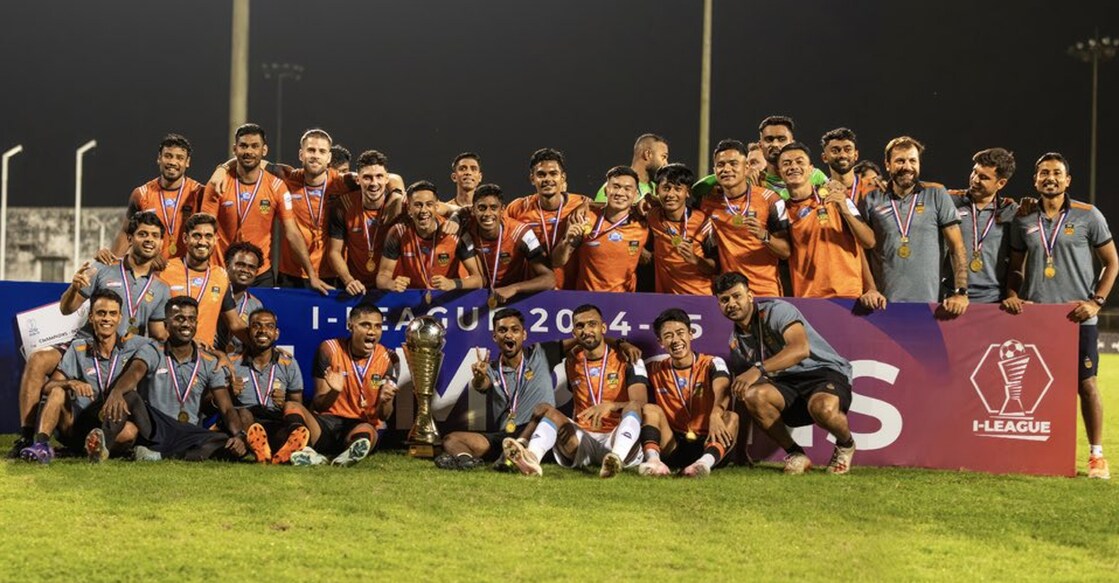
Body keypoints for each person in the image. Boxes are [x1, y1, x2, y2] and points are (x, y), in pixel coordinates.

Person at [10, 211, 170, 458]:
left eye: (155, 236)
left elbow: (159, 331)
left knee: (128, 428)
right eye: (143, 234)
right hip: (88, 342)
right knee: (38, 359)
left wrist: (191, 343)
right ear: (130, 238)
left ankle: (99, 446)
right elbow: (67, 309)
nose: (149, 239)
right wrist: (73, 288)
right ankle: (26, 437)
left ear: (161, 243)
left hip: (124, 352)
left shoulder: (161, 288)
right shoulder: (102, 267)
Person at [1004, 152, 1118, 479]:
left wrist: (1096, 301)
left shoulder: (1088, 215)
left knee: (1087, 384)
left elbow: (1113, 262)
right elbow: (1015, 268)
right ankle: (1041, 452)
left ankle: (1096, 456)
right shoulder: (1023, 218)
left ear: (1067, 180)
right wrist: (1012, 294)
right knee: (1038, 386)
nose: (1050, 178)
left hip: (1077, 316)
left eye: (1056, 173)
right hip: (1038, 317)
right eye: (1043, 173)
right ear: (1035, 180)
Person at [714, 272, 857, 475]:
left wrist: (758, 370)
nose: (732, 303)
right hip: (786, 385)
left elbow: (800, 349)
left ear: (750, 295)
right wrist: (740, 449)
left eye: (737, 296)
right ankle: (796, 454)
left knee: (823, 408)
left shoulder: (777, 310)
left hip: (822, 372)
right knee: (752, 395)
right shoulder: (736, 343)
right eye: (724, 300)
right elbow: (740, 397)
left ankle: (845, 445)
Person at [503, 305, 648, 478]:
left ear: (603, 328)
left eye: (592, 324)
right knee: (550, 412)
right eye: (580, 326)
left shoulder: (628, 358)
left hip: (617, 436)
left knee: (633, 407)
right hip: (583, 439)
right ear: (574, 333)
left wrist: (611, 406)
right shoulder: (571, 361)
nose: (586, 330)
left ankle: (615, 459)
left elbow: (640, 404)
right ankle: (531, 459)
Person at [99, 296, 248, 462]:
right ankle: (102, 447)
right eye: (179, 319)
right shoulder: (153, 350)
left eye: (191, 319)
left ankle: (157, 456)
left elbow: (226, 408)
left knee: (224, 441)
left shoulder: (209, 362)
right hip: (155, 426)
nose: (186, 324)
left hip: (188, 432)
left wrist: (239, 435)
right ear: (166, 325)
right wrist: (117, 391)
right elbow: (135, 372)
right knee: (128, 396)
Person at [17, 290, 155, 463]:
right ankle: (41, 446)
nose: (107, 319)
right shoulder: (78, 348)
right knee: (58, 391)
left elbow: (163, 346)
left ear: (120, 318)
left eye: (112, 314)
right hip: (77, 425)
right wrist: (71, 383)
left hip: (111, 423)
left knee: (130, 431)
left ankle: (94, 450)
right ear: (91, 318)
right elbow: (48, 387)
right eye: (101, 313)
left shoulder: (135, 345)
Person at [199, 123, 329, 292]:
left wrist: (311, 274)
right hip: (221, 271)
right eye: (243, 146)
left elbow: (292, 232)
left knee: (262, 319)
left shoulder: (277, 186)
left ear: (264, 150)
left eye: (255, 146)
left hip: (260, 274)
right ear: (235, 149)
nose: (249, 151)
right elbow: (205, 230)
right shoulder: (217, 183)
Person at [436, 308, 563, 469]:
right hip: (506, 436)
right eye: (502, 330)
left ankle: (513, 454)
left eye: (515, 330)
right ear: (495, 337)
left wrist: (605, 342)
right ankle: (466, 462)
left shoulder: (541, 354)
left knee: (545, 410)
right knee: (452, 440)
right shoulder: (491, 369)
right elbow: (481, 384)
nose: (509, 335)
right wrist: (480, 377)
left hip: (537, 432)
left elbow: (581, 343)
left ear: (524, 335)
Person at [275, 304, 399, 466]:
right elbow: (319, 404)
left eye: (378, 326)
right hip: (325, 424)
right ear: (350, 326)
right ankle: (306, 450)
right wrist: (334, 391)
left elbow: (384, 416)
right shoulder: (329, 349)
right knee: (292, 405)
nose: (372, 332)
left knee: (368, 432)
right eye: (365, 325)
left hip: (359, 424)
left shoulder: (389, 358)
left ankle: (346, 455)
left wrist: (385, 401)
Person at [859, 136, 970, 314]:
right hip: (882, 305)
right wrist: (870, 289)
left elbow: (957, 247)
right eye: (900, 161)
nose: (907, 167)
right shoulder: (871, 198)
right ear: (887, 165)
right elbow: (861, 250)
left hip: (930, 305)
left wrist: (961, 292)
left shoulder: (936, 194)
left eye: (913, 161)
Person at [636, 309, 737, 478]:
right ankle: (653, 462)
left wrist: (715, 414)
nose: (675, 340)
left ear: (691, 334)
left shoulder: (711, 362)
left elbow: (723, 389)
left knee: (731, 417)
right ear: (661, 342)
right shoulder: (653, 367)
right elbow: (625, 366)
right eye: (668, 336)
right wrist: (622, 343)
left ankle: (703, 464)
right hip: (674, 444)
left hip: (709, 440)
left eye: (680, 333)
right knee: (650, 409)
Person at [778, 143, 877, 299]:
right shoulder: (782, 210)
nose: (793, 166)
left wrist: (871, 288)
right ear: (780, 172)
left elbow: (868, 241)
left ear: (811, 169)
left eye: (799, 161)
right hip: (808, 299)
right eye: (786, 163)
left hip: (848, 296)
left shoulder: (838, 198)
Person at [698, 139, 790, 296]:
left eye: (733, 163)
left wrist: (764, 235)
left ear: (746, 167)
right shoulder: (707, 203)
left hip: (766, 292)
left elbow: (786, 251)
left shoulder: (770, 199)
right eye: (721, 165)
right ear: (714, 170)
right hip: (730, 295)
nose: (727, 169)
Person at [100, 134, 204, 265]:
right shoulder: (141, 194)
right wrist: (112, 266)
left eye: (180, 158)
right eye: (168, 156)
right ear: (159, 158)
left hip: (186, 271)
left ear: (187, 162)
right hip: (151, 271)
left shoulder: (198, 193)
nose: (172, 162)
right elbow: (127, 232)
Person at [275, 129, 354, 288]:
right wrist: (223, 168)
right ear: (300, 154)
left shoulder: (343, 183)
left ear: (329, 158)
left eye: (322, 151)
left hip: (333, 273)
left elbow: (385, 178)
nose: (316, 155)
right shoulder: (288, 179)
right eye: (311, 150)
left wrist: (397, 190)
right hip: (292, 273)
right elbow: (252, 159)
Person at [552, 166, 650, 292]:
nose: (620, 193)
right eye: (615, 187)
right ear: (605, 190)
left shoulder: (643, 223)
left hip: (624, 304)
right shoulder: (585, 218)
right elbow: (557, 262)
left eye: (627, 188)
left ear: (636, 195)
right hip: (588, 302)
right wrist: (566, 242)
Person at [505, 148, 590, 289]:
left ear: (562, 177)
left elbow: (612, 208)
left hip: (570, 292)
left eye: (553, 174)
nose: (547, 179)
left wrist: (589, 204)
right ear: (532, 178)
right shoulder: (517, 208)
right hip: (531, 291)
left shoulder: (581, 204)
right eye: (541, 174)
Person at [376, 180, 483, 292]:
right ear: (409, 209)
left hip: (448, 301)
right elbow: (382, 277)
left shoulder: (455, 232)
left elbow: (478, 279)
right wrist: (391, 284)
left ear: (437, 206)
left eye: (429, 204)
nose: (423, 210)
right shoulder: (398, 232)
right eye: (418, 205)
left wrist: (453, 283)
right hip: (413, 301)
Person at [158, 213, 247, 348]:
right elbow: (153, 320)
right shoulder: (165, 271)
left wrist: (268, 348)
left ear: (215, 239)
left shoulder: (221, 276)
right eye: (197, 236)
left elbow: (235, 323)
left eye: (208, 236)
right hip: (169, 353)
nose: (202, 242)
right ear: (185, 238)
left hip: (204, 358)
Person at [228, 308, 304, 463]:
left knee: (287, 430)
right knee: (243, 413)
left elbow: (297, 403)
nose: (263, 331)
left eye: (269, 326)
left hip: (274, 418)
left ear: (276, 333)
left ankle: (277, 450)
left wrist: (284, 403)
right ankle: (258, 448)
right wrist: (229, 391)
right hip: (245, 420)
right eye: (256, 326)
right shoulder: (231, 362)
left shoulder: (288, 363)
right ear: (248, 331)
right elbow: (215, 400)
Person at [327, 150, 405, 296]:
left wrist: (456, 217)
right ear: (358, 180)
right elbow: (334, 251)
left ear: (387, 178)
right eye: (367, 178)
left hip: (393, 287)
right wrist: (348, 281)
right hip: (357, 287)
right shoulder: (343, 205)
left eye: (379, 177)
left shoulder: (401, 206)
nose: (374, 183)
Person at [466, 183, 555, 306]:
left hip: (513, 300)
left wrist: (514, 288)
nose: (487, 214)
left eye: (493, 208)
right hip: (476, 299)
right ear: (473, 210)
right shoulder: (466, 232)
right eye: (482, 208)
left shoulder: (521, 232)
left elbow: (549, 279)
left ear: (502, 210)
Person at [951, 148, 1019, 303]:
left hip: (995, 301)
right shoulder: (950, 201)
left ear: (1001, 183)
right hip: (953, 298)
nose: (974, 180)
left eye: (983, 177)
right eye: (974, 172)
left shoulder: (1011, 211)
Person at [644, 163, 718, 294]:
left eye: (678, 189)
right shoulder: (652, 216)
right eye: (666, 188)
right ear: (657, 191)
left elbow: (716, 267)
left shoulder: (703, 222)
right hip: (665, 300)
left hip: (699, 297)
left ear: (687, 193)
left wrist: (695, 259)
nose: (671, 194)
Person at [757, 116, 829, 199]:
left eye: (782, 139)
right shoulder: (755, 180)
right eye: (769, 139)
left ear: (792, 143)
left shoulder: (815, 176)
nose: (775, 144)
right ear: (760, 145)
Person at [214, 242, 265, 354]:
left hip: (238, 362)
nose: (245, 270)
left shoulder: (256, 305)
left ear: (256, 272)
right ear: (227, 265)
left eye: (251, 267)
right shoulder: (211, 293)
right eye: (240, 265)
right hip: (207, 357)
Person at [593, 133, 668, 203]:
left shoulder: (658, 190)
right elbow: (598, 215)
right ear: (648, 154)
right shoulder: (614, 187)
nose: (666, 163)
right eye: (663, 157)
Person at [819, 127, 875, 203]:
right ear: (824, 157)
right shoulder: (820, 193)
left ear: (856, 155)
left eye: (848, 150)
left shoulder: (872, 189)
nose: (842, 155)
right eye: (835, 151)